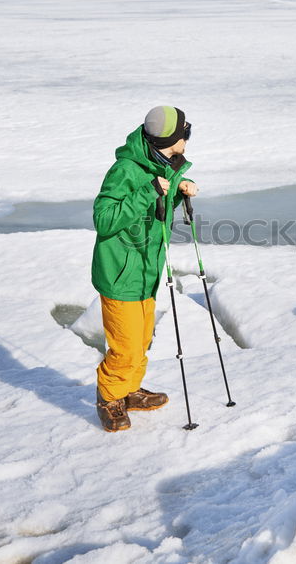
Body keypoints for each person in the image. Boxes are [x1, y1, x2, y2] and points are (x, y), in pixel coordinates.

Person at [91, 106, 198, 432]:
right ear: (171, 140)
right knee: (124, 346)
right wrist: (149, 190)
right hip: (120, 274)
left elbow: (156, 215)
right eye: (185, 135)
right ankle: (109, 398)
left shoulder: (163, 164)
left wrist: (178, 191)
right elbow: (104, 219)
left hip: (146, 272)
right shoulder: (125, 170)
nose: (187, 141)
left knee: (139, 342)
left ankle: (128, 390)